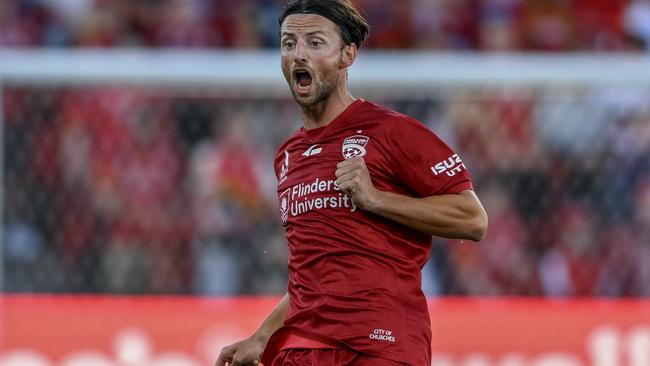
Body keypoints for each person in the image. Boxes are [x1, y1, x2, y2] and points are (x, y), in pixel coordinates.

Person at [216, 0, 488, 365]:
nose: (298, 55)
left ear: (347, 55)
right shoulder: (288, 156)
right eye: (288, 43)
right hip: (303, 348)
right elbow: (309, 275)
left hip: (379, 345)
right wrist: (261, 337)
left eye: (315, 43)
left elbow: (472, 219)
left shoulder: (392, 131)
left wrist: (376, 199)